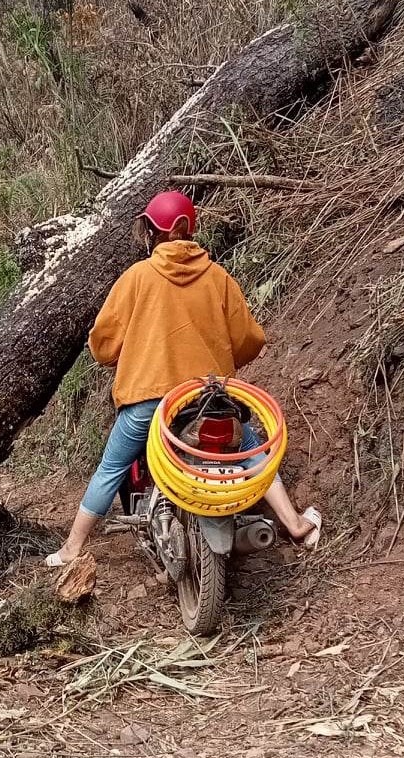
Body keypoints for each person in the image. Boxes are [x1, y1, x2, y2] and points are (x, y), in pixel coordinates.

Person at [46, 191, 321, 567]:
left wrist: (118, 356)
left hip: (150, 400)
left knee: (111, 467)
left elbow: (104, 343)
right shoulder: (218, 277)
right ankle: (293, 522)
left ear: (152, 231)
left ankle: (72, 548)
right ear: (189, 229)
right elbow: (249, 340)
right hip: (209, 397)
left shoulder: (137, 278)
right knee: (255, 456)